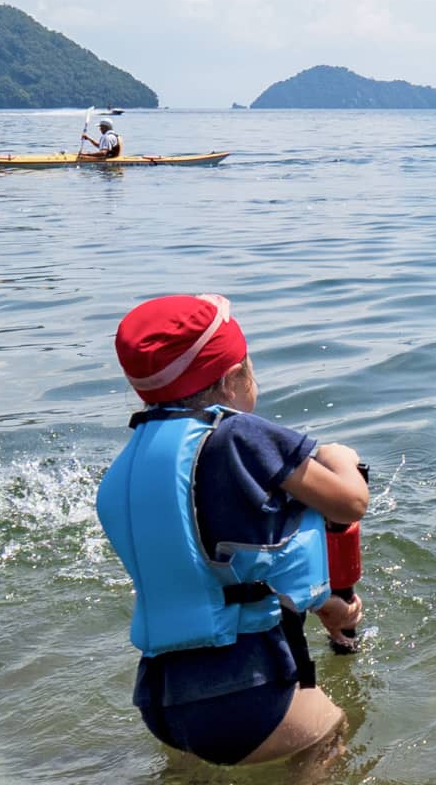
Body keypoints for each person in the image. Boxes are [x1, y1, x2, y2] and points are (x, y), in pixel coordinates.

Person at [96, 293, 371, 767]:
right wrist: (339, 457)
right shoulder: (242, 435)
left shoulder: (127, 469)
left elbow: (224, 576)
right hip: (246, 696)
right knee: (329, 731)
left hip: (162, 701)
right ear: (231, 380)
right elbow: (351, 501)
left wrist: (325, 604)